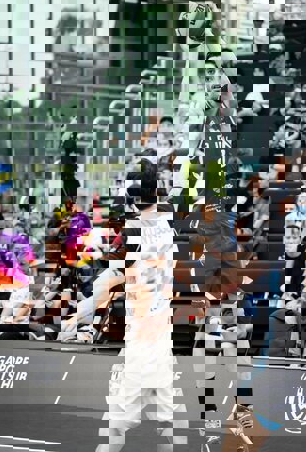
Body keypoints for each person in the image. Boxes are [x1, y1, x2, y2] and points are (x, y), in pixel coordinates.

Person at [96, 157, 187, 452]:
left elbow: (115, 275)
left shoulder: (133, 230)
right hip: (161, 330)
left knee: (117, 422)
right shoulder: (171, 221)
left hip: (141, 333)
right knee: (166, 421)